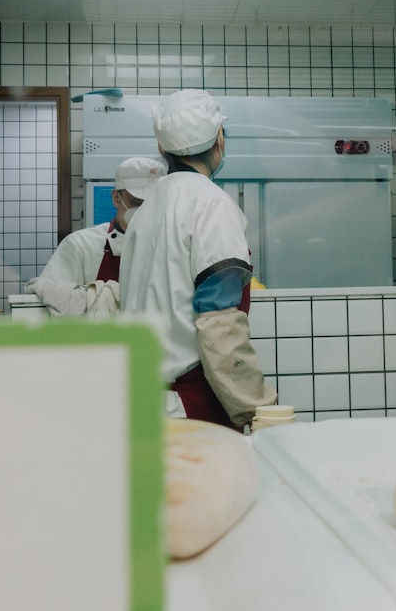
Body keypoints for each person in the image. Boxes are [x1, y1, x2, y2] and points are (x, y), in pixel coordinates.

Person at [119, 89, 277, 430]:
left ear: (162, 148)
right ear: (219, 138)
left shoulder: (144, 212)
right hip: (191, 409)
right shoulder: (211, 204)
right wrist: (259, 409)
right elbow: (219, 326)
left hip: (143, 400)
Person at [40, 156, 166, 284]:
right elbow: (51, 293)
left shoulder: (170, 245)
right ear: (116, 198)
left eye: (152, 202)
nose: (144, 210)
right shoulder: (81, 246)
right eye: (136, 202)